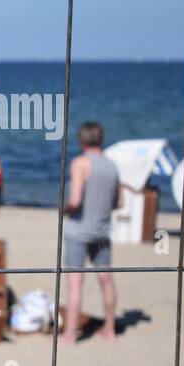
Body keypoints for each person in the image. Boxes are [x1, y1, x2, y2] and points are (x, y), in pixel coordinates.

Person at [60, 121, 122, 345]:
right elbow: (119, 201)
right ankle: (110, 329)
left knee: (75, 283)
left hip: (79, 231)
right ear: (101, 139)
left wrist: (64, 209)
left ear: (81, 140)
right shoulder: (112, 165)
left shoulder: (81, 163)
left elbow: (75, 200)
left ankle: (69, 334)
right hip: (102, 232)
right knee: (106, 279)